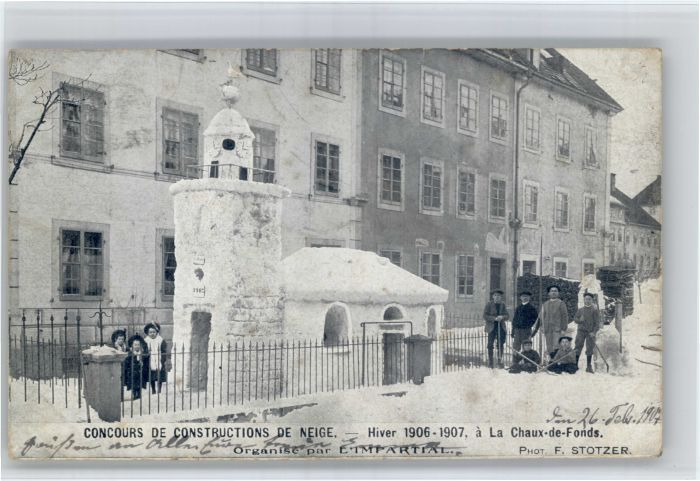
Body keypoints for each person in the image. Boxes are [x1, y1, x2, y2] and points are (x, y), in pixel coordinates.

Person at [532, 285, 570, 356]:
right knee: (549, 347)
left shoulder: (561, 303)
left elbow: (565, 317)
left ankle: (557, 363)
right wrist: (538, 328)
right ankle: (551, 362)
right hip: (547, 329)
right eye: (552, 291)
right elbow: (541, 317)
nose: (553, 293)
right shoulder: (545, 304)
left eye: (555, 291)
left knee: (556, 346)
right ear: (549, 293)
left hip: (557, 329)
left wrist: (563, 329)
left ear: (558, 293)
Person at [574, 292, 601, 373]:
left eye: (589, 299)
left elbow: (597, 323)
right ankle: (575, 365)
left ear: (592, 300)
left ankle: (589, 366)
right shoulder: (580, 310)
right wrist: (579, 320)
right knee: (578, 346)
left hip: (590, 333)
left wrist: (594, 332)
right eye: (586, 299)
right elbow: (575, 318)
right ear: (584, 300)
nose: (587, 301)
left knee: (589, 348)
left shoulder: (594, 310)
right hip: (581, 331)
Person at [483, 290, 510, 368]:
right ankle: (491, 362)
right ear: (493, 296)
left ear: (501, 297)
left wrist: (502, 317)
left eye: (499, 296)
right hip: (491, 327)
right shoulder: (489, 304)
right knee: (490, 344)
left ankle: (499, 361)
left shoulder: (503, 305)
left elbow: (507, 315)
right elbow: (485, 315)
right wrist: (494, 318)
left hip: (500, 327)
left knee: (500, 344)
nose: (497, 297)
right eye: (495, 295)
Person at [511, 291, 539, 365]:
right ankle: (515, 363)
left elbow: (536, 320)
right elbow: (514, 320)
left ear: (529, 298)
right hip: (517, 330)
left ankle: (526, 363)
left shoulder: (532, 308)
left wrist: (529, 327)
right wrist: (513, 331)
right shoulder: (518, 308)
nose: (525, 298)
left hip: (526, 330)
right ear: (520, 298)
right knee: (516, 347)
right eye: (523, 296)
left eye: (526, 296)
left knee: (526, 347)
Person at [143, 322, 170, 394]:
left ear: (157, 332)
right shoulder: (146, 341)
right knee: (152, 377)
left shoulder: (160, 340)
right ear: (148, 333)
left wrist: (163, 359)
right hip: (150, 361)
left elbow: (164, 351)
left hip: (159, 361)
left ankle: (159, 389)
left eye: (154, 332)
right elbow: (144, 351)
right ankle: (153, 389)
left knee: (159, 377)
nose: (152, 334)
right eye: (150, 332)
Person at [123, 335, 148, 400]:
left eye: (138, 344)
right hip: (132, 372)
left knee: (139, 384)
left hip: (140, 372)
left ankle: (139, 394)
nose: (137, 346)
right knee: (133, 384)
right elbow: (127, 363)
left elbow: (145, 361)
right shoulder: (130, 354)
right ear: (132, 345)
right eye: (135, 345)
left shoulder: (142, 353)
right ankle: (134, 394)